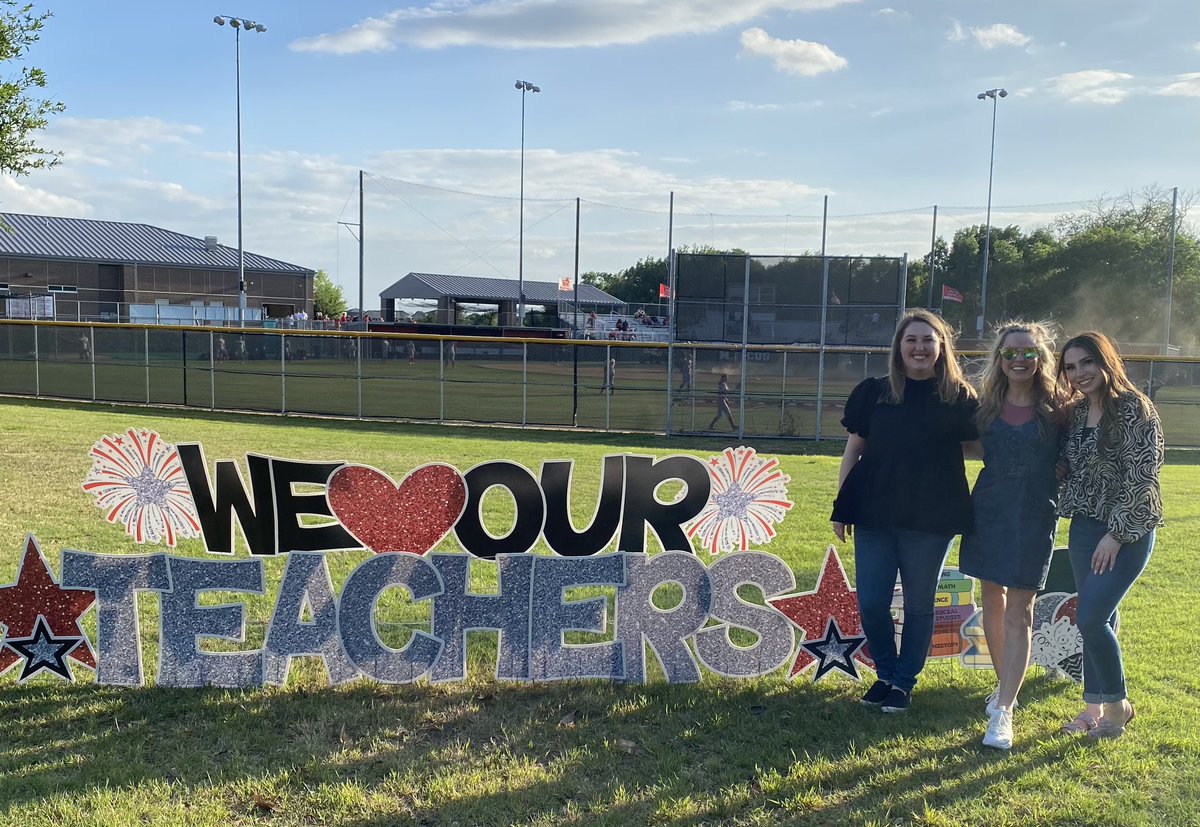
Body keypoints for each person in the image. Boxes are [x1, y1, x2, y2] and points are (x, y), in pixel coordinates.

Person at [831, 309, 978, 713]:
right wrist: (842, 506)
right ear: (899, 346)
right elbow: (853, 451)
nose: (919, 347)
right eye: (911, 339)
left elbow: (980, 446)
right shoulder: (875, 392)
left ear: (941, 346)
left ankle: (903, 683)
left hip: (931, 516)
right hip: (874, 512)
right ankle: (885, 673)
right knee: (872, 602)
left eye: (928, 340)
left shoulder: (958, 397)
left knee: (918, 604)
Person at [959, 321, 1063, 750]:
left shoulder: (1060, 407)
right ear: (999, 360)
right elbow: (968, 446)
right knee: (993, 602)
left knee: (1020, 611)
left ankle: (1003, 712)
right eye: (1010, 353)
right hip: (988, 511)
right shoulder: (984, 406)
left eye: (1028, 352)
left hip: (1035, 515)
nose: (1019, 359)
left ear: (1041, 357)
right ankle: (1007, 690)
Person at [1056, 331, 1163, 739]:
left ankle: (1118, 708)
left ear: (1105, 361)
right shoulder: (1078, 412)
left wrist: (1116, 535)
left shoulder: (1135, 407)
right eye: (1070, 367)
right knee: (1098, 617)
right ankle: (1091, 710)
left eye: (1086, 362)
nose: (1079, 373)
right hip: (1084, 528)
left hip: (1127, 531)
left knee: (1090, 617)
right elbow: (1072, 466)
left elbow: (1143, 476)